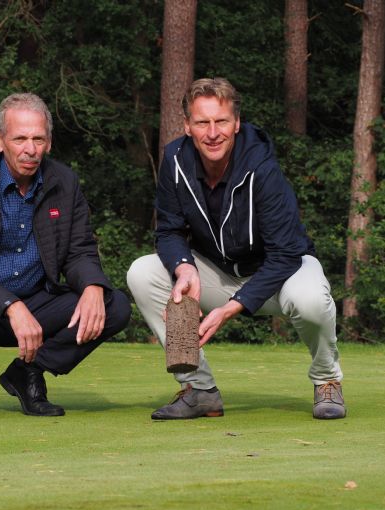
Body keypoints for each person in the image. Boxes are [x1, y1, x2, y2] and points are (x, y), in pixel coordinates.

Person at [127, 77, 345, 421]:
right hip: (218, 273)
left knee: (312, 301)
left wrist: (230, 309)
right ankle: (199, 391)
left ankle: (326, 379)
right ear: (187, 126)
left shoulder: (262, 166)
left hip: (282, 272)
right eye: (202, 122)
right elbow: (168, 230)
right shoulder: (174, 160)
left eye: (221, 121)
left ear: (236, 123)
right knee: (142, 272)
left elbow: (285, 254)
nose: (213, 132)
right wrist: (184, 267)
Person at [0, 92, 131, 419]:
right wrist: (10, 305)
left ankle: (28, 372)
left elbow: (79, 250)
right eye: (20, 138)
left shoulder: (65, 181)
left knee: (114, 305)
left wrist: (93, 285)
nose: (30, 149)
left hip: (39, 306)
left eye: (38, 138)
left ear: (49, 142)